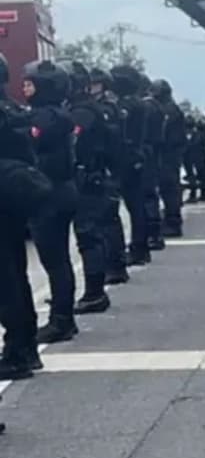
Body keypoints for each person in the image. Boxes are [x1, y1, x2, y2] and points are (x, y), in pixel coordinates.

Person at [22, 61, 81, 344]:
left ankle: (61, 320)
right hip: (61, 190)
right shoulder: (58, 114)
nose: (25, 88)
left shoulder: (45, 117)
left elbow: (28, 144)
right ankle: (63, 315)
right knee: (59, 260)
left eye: (30, 83)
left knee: (55, 260)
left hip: (50, 193)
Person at [0, 51, 48, 380]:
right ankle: (25, 347)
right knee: (16, 277)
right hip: (14, 205)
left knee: (6, 283)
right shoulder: (15, 111)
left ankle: (17, 352)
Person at [65, 63, 114, 314]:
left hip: (88, 179)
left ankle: (94, 293)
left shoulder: (83, 111)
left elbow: (72, 139)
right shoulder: (80, 107)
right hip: (87, 178)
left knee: (88, 236)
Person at [90, 67, 130, 285]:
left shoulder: (107, 109)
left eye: (95, 84)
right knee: (102, 221)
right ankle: (110, 264)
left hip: (108, 169)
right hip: (106, 169)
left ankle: (115, 265)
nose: (91, 88)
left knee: (108, 220)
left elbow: (110, 142)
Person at [111, 65, 154, 266]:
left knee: (134, 205)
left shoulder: (128, 105)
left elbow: (119, 129)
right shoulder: (137, 103)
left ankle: (138, 247)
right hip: (136, 155)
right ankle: (140, 246)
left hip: (129, 156)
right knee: (136, 205)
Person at [152, 79, 187, 237]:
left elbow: (164, 133)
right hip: (170, 153)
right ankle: (170, 220)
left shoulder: (168, 110)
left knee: (169, 188)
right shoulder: (170, 108)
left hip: (168, 153)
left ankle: (173, 222)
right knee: (169, 188)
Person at [140, 74, 166, 251]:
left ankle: (152, 235)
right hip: (155, 152)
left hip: (147, 153)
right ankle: (154, 234)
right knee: (150, 195)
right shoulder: (157, 107)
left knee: (147, 196)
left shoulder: (147, 107)